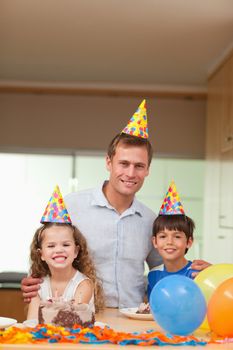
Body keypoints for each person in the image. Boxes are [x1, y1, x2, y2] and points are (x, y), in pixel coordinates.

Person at [21, 100, 210, 308]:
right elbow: (46, 255)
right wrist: (33, 281)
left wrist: (203, 275)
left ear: (147, 170)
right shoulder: (72, 207)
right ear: (108, 162)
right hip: (80, 316)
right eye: (124, 163)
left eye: (139, 166)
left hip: (133, 317)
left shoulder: (151, 221)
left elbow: (167, 268)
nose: (130, 173)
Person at [27, 186, 104, 320]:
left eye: (66, 244)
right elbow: (32, 322)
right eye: (51, 245)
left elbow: (70, 321)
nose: (59, 250)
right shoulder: (38, 286)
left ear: (76, 251)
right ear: (41, 255)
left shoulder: (83, 285)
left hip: (76, 339)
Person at [147, 181, 199, 299]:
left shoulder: (196, 274)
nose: (169, 242)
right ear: (155, 242)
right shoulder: (154, 275)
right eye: (163, 236)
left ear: (189, 242)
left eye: (177, 236)